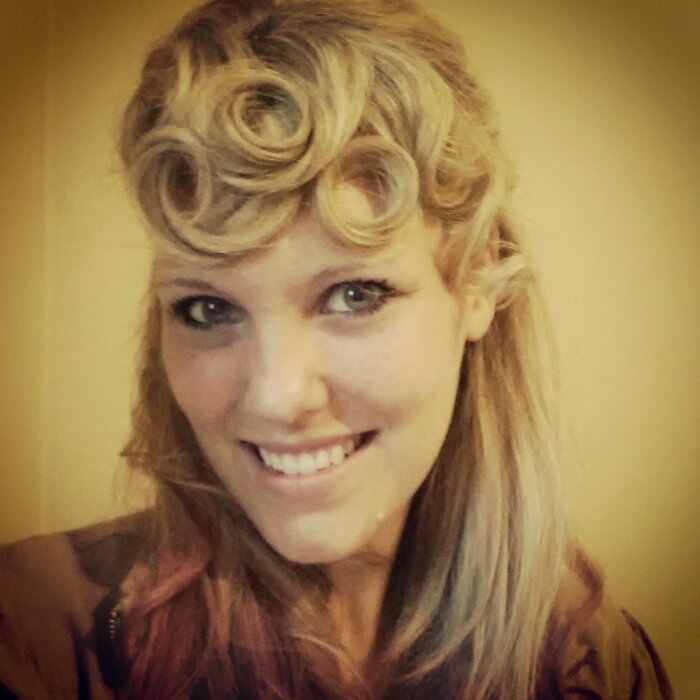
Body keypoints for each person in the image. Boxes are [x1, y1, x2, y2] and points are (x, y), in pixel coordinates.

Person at [0, 0, 675, 698]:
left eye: (354, 295)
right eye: (208, 308)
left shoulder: (588, 659)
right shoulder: (33, 635)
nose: (276, 397)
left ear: (477, 280)